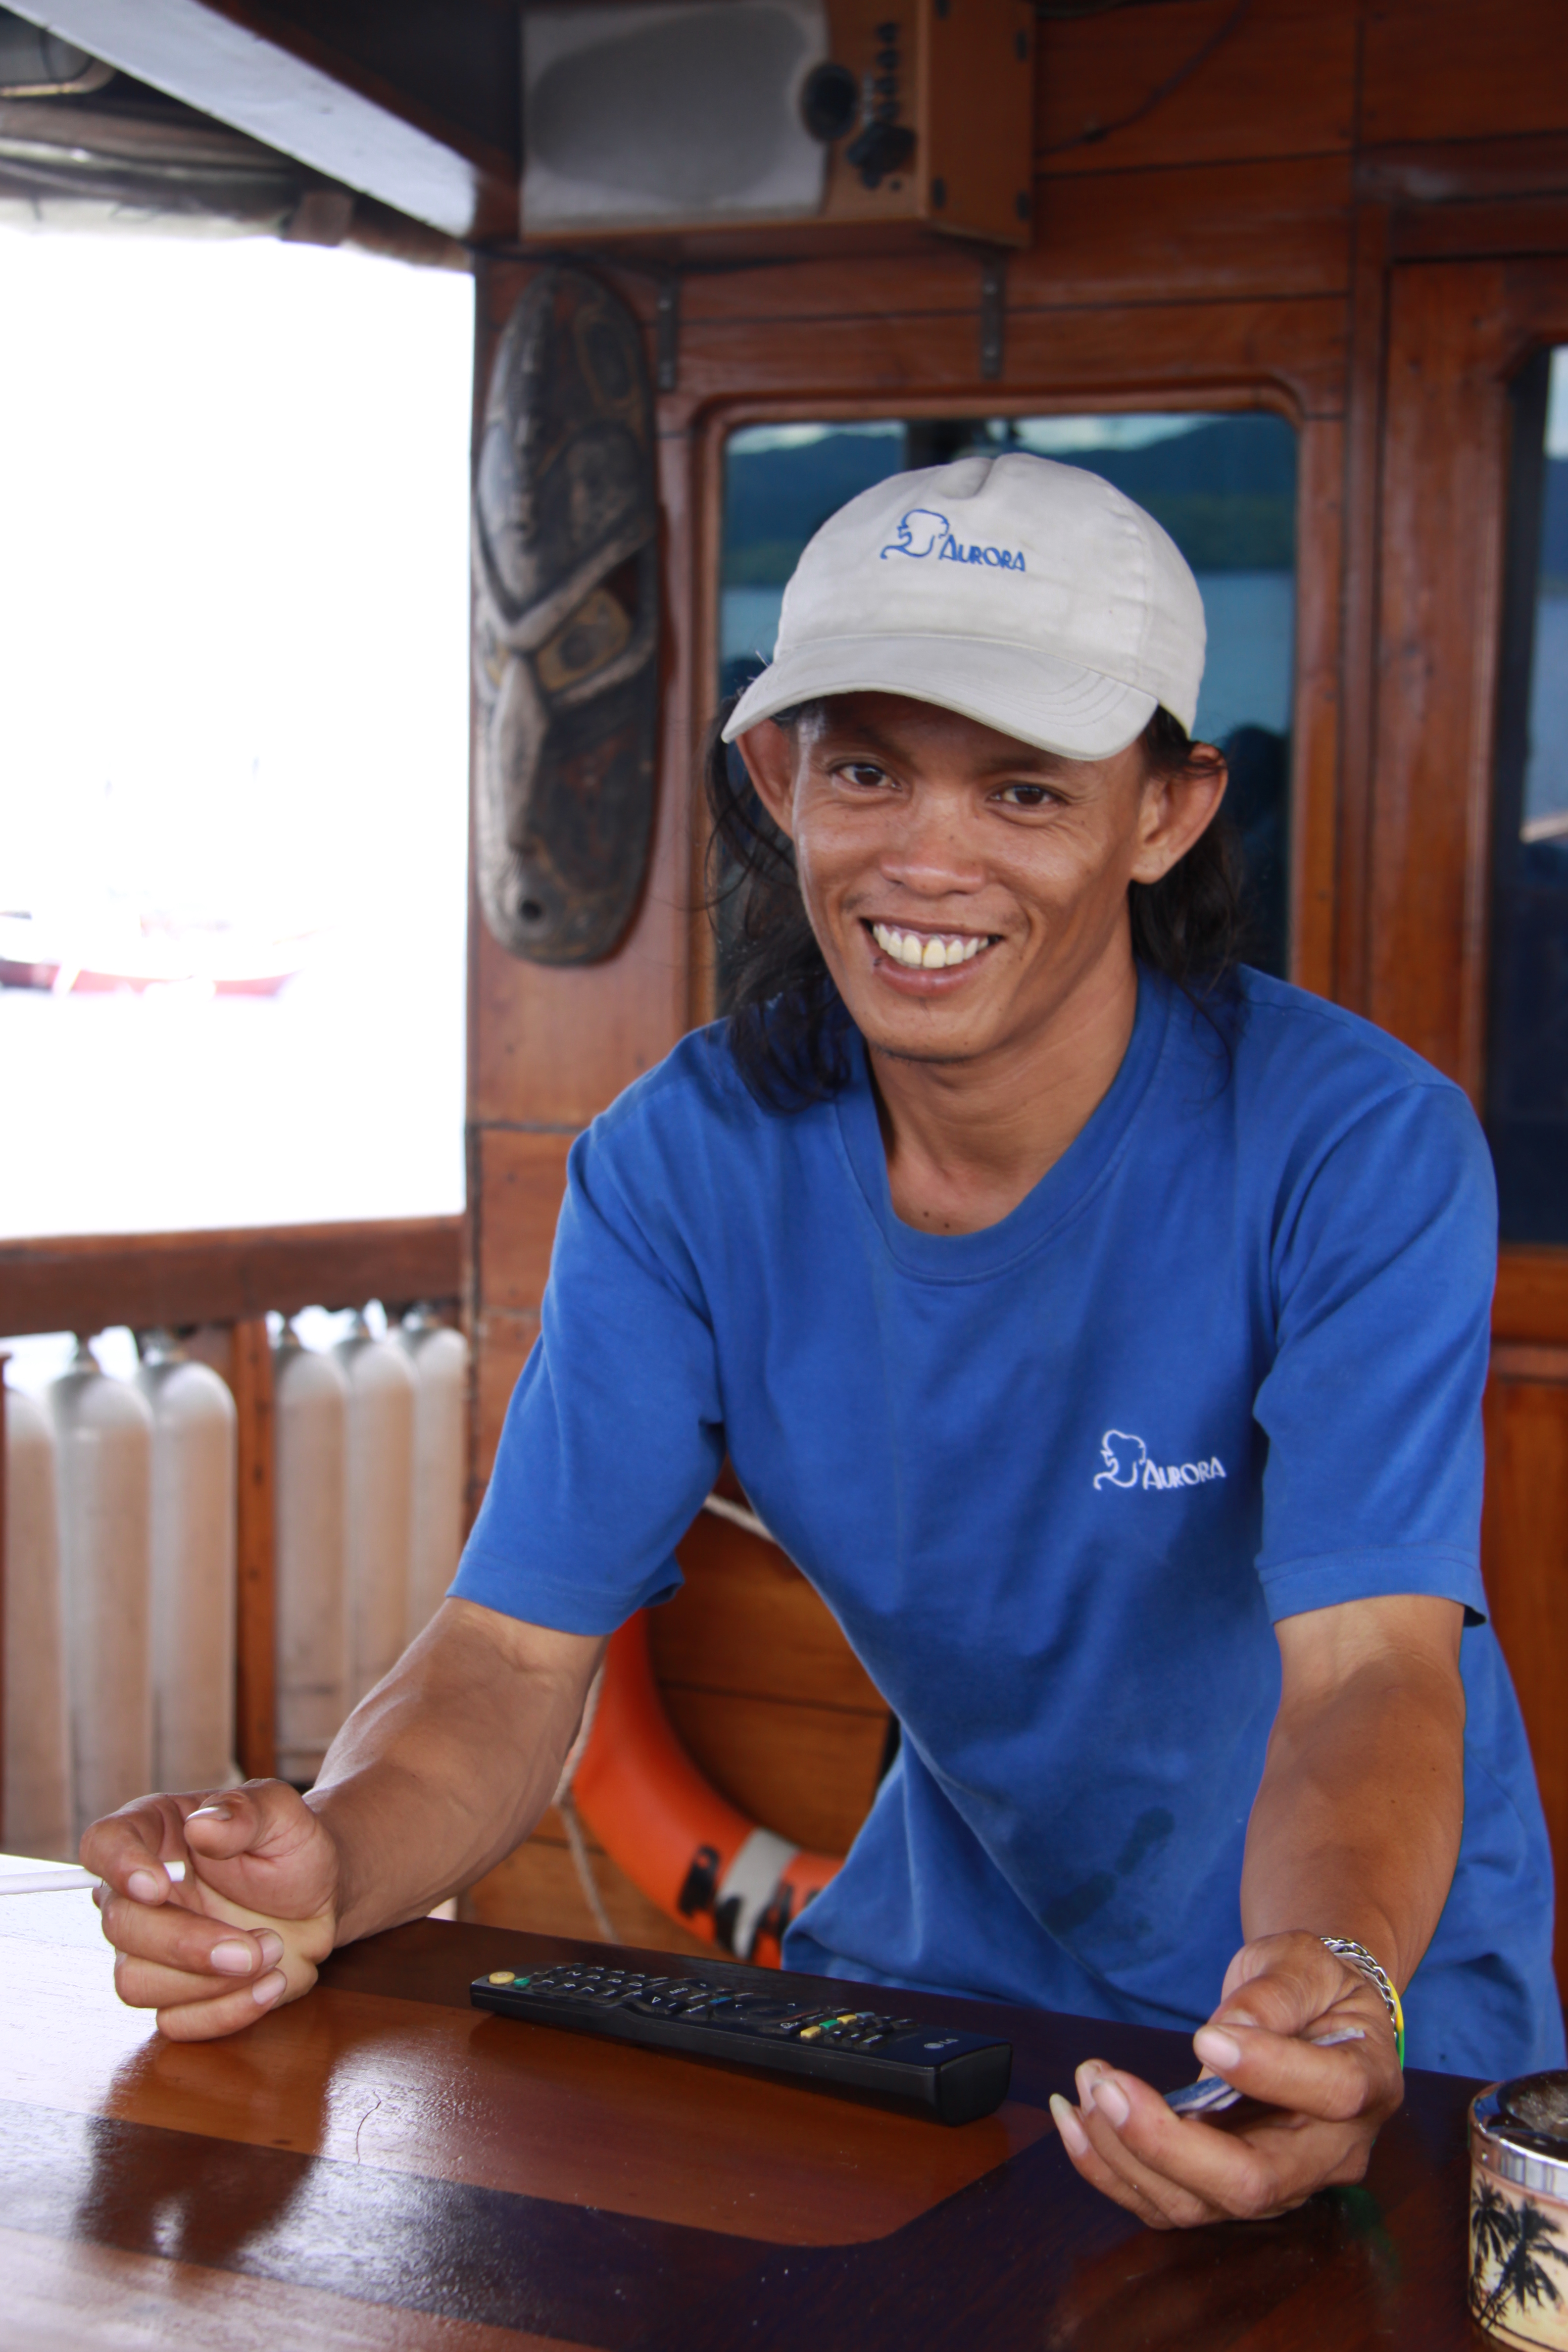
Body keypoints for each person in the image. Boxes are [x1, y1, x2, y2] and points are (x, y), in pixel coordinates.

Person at [85, 453, 1564, 2232]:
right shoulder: (681, 1165)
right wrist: (331, 1860)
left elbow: (1369, 1670)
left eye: (1026, 788)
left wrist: (1326, 1989)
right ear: (781, 778)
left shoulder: (1356, 1146)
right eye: (866, 770)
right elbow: (509, 1655)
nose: (926, 857)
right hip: (951, 1992)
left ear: (1166, 815)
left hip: (1367, 2002)